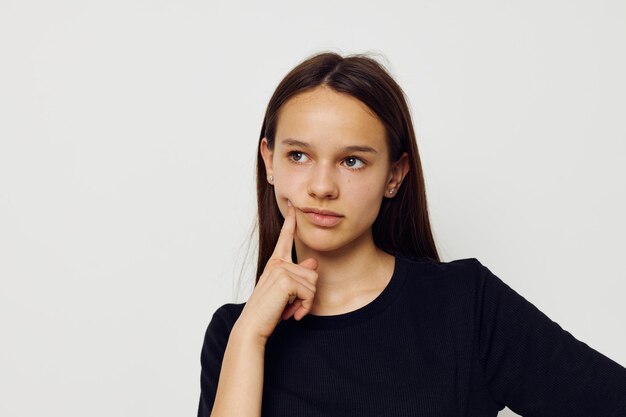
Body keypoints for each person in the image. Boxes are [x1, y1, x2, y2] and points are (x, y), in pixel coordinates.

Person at [197, 52, 626, 417]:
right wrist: (250, 333)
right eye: (298, 155)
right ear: (269, 161)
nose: (322, 186)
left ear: (394, 176)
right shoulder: (235, 333)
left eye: (352, 162)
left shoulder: (464, 305)